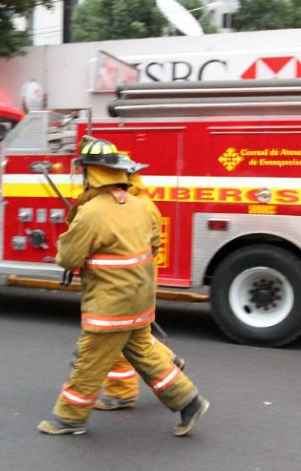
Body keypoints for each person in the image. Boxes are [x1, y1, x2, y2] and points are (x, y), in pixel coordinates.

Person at [38, 139, 209, 436]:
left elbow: (68, 257)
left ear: (91, 173)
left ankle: (70, 418)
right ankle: (188, 401)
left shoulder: (92, 212)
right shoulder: (141, 206)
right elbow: (154, 244)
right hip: (141, 297)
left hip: (109, 302)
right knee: (145, 352)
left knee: (90, 360)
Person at [93, 161, 186, 412]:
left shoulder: (132, 206)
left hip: (128, 281)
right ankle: (168, 361)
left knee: (117, 337)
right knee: (136, 335)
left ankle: (121, 394)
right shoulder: (139, 202)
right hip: (138, 279)